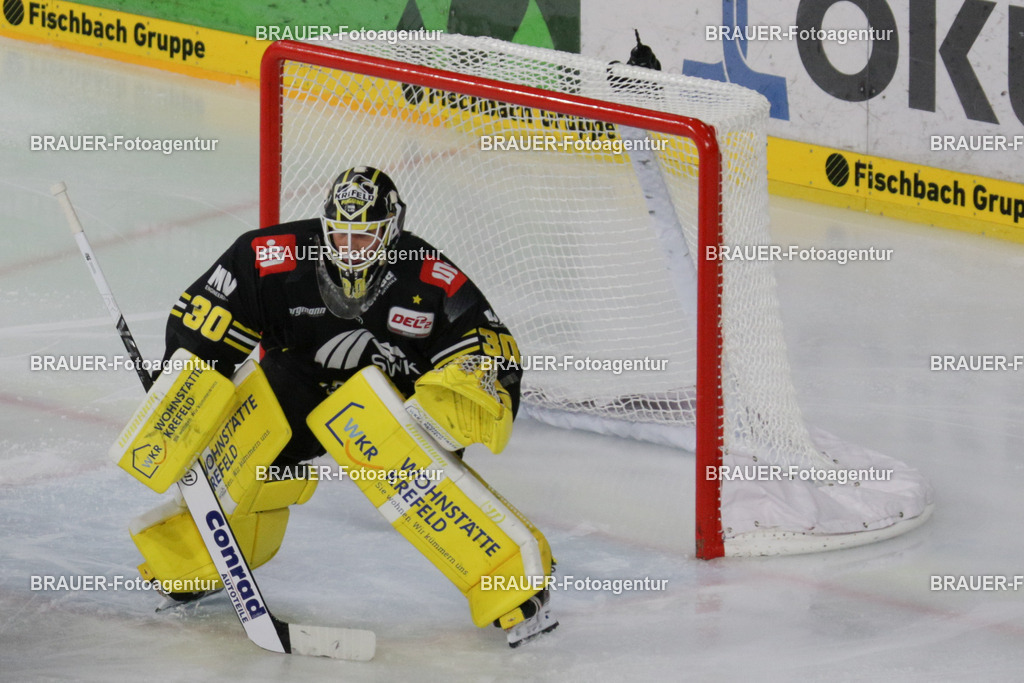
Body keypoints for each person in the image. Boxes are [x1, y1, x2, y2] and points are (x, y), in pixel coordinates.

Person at [128, 166, 556, 648]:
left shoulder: (429, 275)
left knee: (407, 465)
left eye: (366, 237)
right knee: (246, 440)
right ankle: (193, 567)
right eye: (342, 236)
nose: (352, 249)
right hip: (300, 383)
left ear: (392, 231)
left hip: (394, 405)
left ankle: (515, 588)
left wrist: (454, 407)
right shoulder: (271, 257)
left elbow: (490, 351)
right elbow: (207, 322)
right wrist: (182, 395)